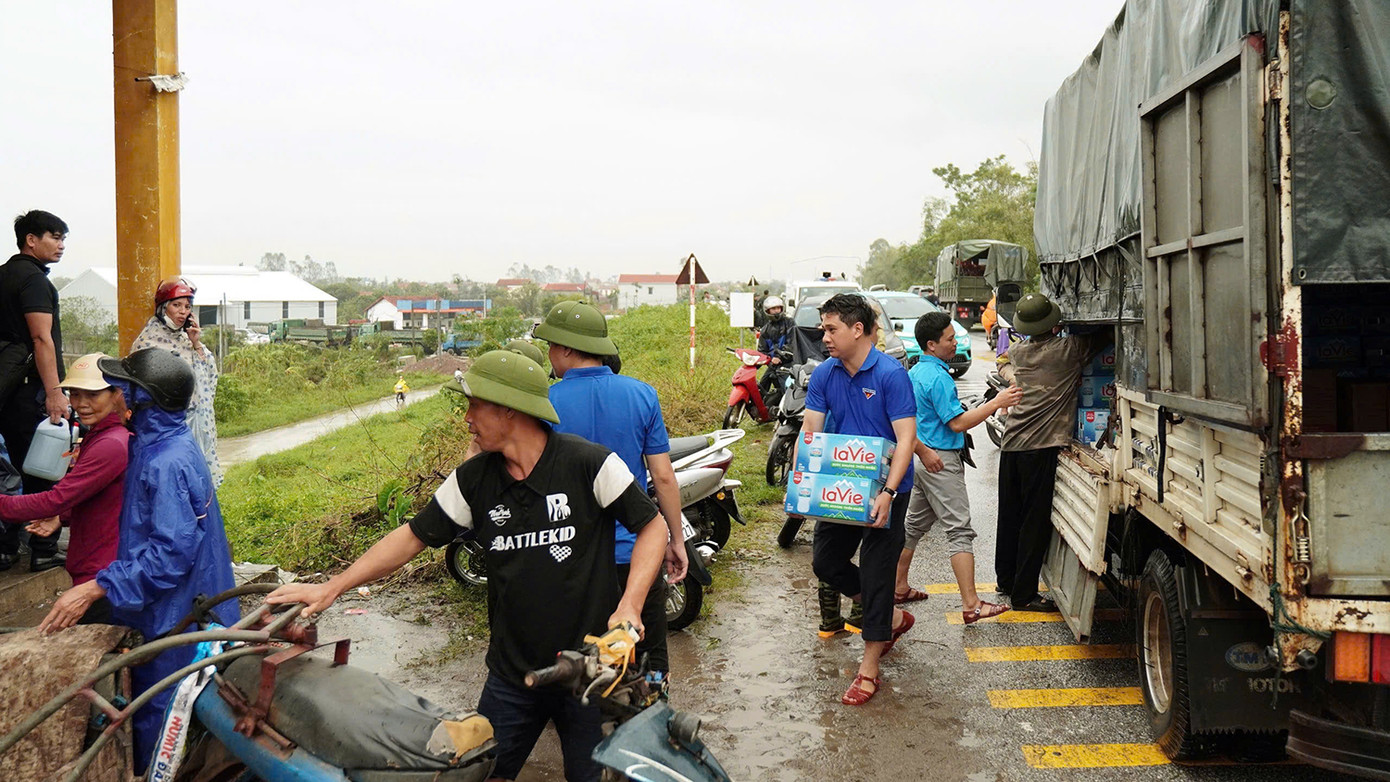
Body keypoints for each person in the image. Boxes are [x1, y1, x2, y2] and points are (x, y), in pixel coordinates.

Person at [266, 350, 666, 782]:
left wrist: (629, 605)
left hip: (591, 672)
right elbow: (412, 537)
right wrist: (333, 586)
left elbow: (653, 526)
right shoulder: (474, 480)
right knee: (481, 773)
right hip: (515, 677)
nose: (467, 418)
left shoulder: (589, 464)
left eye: (475, 406)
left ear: (509, 411)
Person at [38, 348, 238, 774]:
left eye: (121, 389)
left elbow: (168, 554)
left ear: (142, 399)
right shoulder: (156, 445)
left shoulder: (166, 462)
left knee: (162, 720)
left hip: (181, 615)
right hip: (179, 604)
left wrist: (98, 586)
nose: (114, 397)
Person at [533, 300, 686, 684]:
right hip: (637, 551)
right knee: (645, 645)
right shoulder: (642, 394)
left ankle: (580, 715)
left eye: (551, 345)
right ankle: (651, 709)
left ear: (567, 348)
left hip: (570, 555)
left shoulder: (545, 403)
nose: (549, 355)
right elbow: (663, 478)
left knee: (577, 651)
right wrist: (675, 538)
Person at [800, 293, 918, 706]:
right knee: (825, 563)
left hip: (888, 489)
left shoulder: (891, 375)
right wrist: (803, 484)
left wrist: (888, 493)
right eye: (823, 328)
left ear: (857, 329)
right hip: (841, 487)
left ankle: (869, 670)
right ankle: (888, 617)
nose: (824, 336)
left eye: (831, 329)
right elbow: (811, 433)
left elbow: (906, 438)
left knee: (877, 572)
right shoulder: (824, 375)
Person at [894, 313, 1021, 624]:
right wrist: (996, 403)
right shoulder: (938, 378)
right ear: (931, 344)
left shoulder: (916, 372)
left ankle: (897, 587)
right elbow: (956, 423)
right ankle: (972, 603)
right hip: (940, 461)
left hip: (921, 458)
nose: (954, 344)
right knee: (959, 531)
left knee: (913, 526)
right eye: (949, 339)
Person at [996, 293, 1111, 611]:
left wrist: (1012, 378)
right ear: (1053, 323)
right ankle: (1024, 595)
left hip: (1012, 445)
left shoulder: (1017, 351)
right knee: (1033, 521)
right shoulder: (1068, 350)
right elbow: (1106, 334)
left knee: (1009, 516)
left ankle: (1005, 580)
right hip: (1040, 447)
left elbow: (1002, 361)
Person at [0, 354, 129, 624]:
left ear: (117, 393)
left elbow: (55, 498)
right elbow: (95, 494)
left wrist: (54, 509)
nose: (81, 404)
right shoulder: (100, 435)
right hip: (95, 568)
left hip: (100, 577)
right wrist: (63, 516)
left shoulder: (111, 444)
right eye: (75, 393)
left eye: (93, 395)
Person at [0, 210, 70, 572]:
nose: (60, 245)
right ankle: (42, 549)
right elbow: (41, 338)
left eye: (62, 239)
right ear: (31, 239)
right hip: (31, 393)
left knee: (10, 470)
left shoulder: (4, 275)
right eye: (54, 237)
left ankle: (7, 547)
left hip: (6, 391)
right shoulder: (34, 282)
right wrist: (55, 392)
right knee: (43, 470)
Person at [131, 277, 223, 486]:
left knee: (197, 479)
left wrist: (196, 343)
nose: (183, 311)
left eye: (187, 307)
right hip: (162, 423)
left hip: (191, 419)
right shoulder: (148, 341)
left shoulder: (187, 340)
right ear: (163, 308)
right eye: (176, 305)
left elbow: (209, 376)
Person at [756, 295, 792, 407]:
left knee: (787, 388)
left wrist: (780, 357)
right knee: (762, 385)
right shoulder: (765, 329)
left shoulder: (789, 323)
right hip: (773, 364)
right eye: (773, 309)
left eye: (778, 308)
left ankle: (789, 409)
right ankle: (762, 411)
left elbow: (792, 342)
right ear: (768, 311)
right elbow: (762, 350)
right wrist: (766, 360)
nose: (776, 311)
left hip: (789, 363)